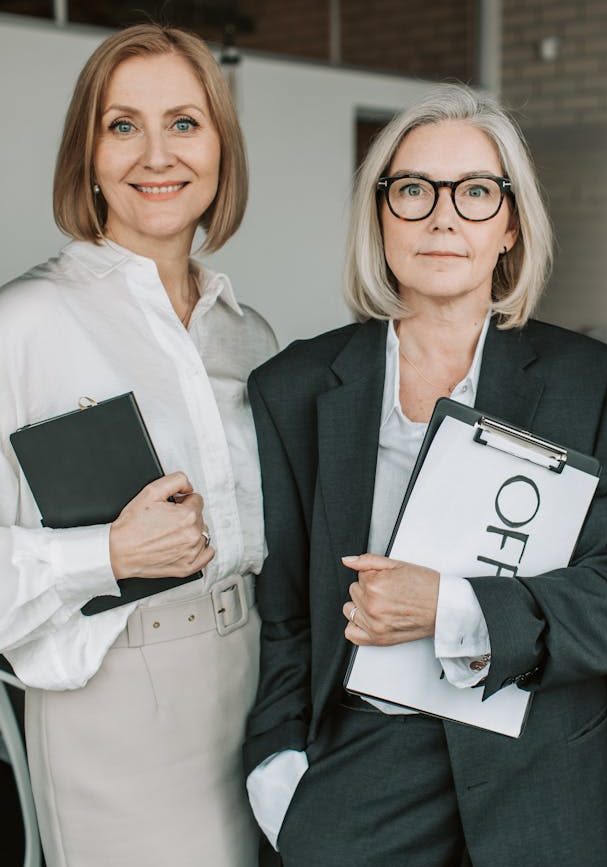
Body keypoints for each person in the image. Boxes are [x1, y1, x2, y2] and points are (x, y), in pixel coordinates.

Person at [243, 84, 607, 867]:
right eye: (412, 190)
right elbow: (283, 615)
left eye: (473, 192)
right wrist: (276, 769)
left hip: (543, 774)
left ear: (508, 225)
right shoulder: (293, 386)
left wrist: (454, 606)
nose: (441, 216)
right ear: (380, 216)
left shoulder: (589, 380)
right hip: (360, 776)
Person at [0, 24, 277, 867]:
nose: (156, 154)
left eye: (185, 123)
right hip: (110, 698)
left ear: (221, 149)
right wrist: (106, 551)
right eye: (123, 125)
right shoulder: (25, 325)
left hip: (253, 679)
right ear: (87, 154)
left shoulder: (251, 336)